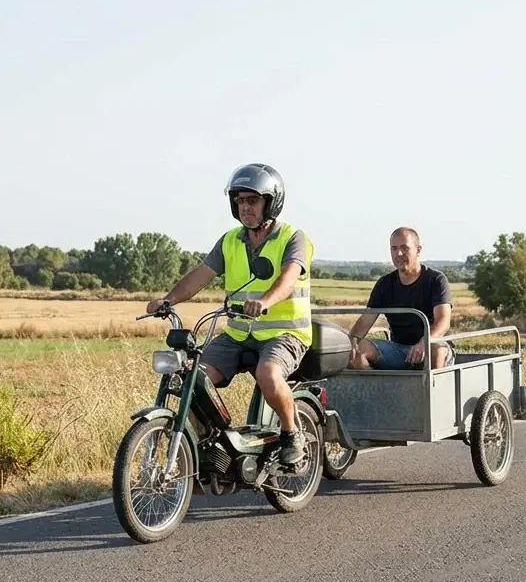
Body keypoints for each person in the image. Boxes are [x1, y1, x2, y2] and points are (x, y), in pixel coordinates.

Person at [145, 164, 314, 466]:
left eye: (253, 200)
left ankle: (292, 433)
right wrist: (168, 300)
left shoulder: (293, 237)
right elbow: (201, 274)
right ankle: (211, 447)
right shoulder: (230, 241)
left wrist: (264, 301)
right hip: (238, 335)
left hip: (284, 334)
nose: (245, 207)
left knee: (268, 374)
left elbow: (289, 278)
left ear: (271, 202)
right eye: (240, 201)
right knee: (191, 379)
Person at [347, 227, 455, 370]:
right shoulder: (384, 284)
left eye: (404, 248)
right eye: (394, 248)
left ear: (418, 250)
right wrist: (350, 341)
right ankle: (379, 390)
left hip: (431, 345)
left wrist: (424, 342)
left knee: (436, 349)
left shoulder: (435, 280)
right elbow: (365, 321)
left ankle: (433, 391)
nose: (398, 253)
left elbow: (443, 321)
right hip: (398, 349)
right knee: (355, 350)